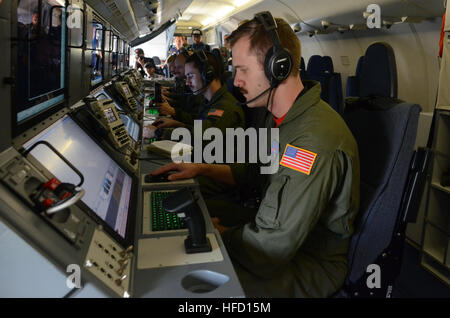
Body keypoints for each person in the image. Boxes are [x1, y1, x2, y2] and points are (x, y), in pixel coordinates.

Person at [150, 12, 360, 298]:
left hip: (308, 260)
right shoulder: (281, 118)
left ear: (278, 67)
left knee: (189, 290)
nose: (235, 82)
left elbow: (272, 246)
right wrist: (201, 168)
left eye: (243, 70)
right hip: (271, 225)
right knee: (189, 215)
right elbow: (256, 172)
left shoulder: (311, 142)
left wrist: (221, 235)